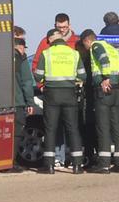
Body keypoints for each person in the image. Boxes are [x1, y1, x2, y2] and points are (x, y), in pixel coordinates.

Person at [37, 30, 87, 172]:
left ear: (51, 39)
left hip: (51, 94)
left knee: (50, 129)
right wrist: (73, 82)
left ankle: (50, 165)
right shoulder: (74, 53)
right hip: (69, 94)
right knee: (73, 128)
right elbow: (83, 76)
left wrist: (45, 82)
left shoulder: (47, 53)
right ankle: (77, 165)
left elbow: (38, 75)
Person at [85, 29, 119, 173]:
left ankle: (104, 165)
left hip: (104, 91)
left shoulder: (96, 46)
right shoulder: (112, 48)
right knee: (116, 128)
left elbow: (103, 60)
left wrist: (105, 78)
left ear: (87, 40)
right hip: (117, 91)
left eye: (84, 44)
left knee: (103, 127)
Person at [11, 30, 40, 170]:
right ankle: (12, 162)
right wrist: (30, 102)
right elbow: (27, 82)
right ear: (20, 46)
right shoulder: (20, 59)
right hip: (17, 102)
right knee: (16, 132)